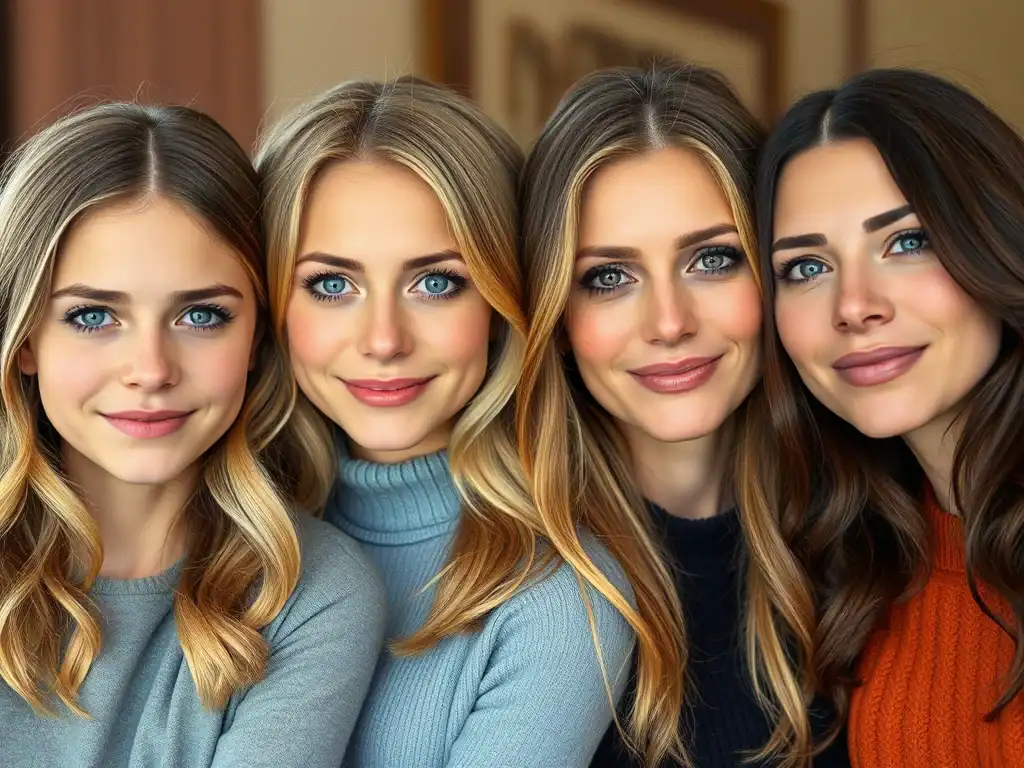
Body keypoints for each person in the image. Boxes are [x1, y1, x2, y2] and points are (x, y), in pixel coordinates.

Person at [255, 76, 635, 768]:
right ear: (272, 304)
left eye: (436, 281)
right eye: (331, 285)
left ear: (499, 304)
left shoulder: (559, 603)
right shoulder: (223, 543)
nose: (383, 339)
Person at [0, 102, 386, 768]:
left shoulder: (312, 592)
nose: (150, 370)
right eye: (93, 316)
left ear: (260, 335)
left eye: (201, 315)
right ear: (26, 337)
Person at [519, 65, 848, 767]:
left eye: (712, 259)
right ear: (556, 313)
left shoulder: (868, 541)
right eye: (608, 277)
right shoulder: (509, 584)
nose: (668, 323)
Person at [758, 67, 1024, 766]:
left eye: (906, 242)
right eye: (806, 267)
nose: (854, 304)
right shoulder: (857, 564)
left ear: (997, 242)